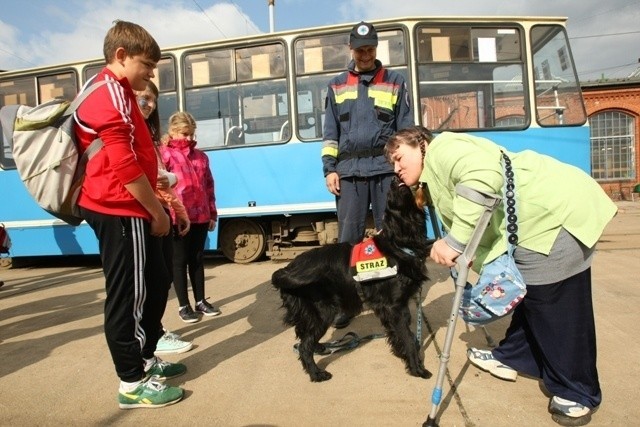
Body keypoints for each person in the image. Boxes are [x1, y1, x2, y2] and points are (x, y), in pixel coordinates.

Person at [386, 126, 617, 426]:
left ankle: (577, 390)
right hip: (529, 227)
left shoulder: (444, 149)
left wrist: (455, 242)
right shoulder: (432, 174)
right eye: (392, 163)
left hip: (553, 219)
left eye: (399, 157)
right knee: (530, 297)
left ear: (421, 144)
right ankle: (518, 356)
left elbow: (482, 177)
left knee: (558, 308)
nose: (396, 168)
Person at [73, 20, 185, 409]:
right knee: (129, 296)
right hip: (118, 206)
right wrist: (157, 212)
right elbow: (124, 164)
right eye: (147, 64)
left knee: (157, 279)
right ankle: (132, 382)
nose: (152, 74)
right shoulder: (109, 94)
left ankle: (146, 356)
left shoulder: (120, 91)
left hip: (128, 204)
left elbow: (139, 156)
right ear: (121, 56)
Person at [321, 21, 414, 328]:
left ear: (376, 48)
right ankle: (347, 303)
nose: (365, 54)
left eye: (370, 49)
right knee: (349, 239)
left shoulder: (396, 81)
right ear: (351, 49)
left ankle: (392, 297)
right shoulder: (336, 84)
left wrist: (405, 171)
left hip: (386, 172)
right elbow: (330, 133)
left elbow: (406, 132)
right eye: (360, 49)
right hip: (349, 175)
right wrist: (329, 170)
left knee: (392, 237)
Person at [134, 81, 193, 355]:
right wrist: (170, 178)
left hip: (160, 212)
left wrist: (177, 212)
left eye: (152, 99)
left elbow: (162, 183)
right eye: (143, 98)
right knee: (145, 285)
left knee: (160, 280)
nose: (149, 104)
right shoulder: (130, 131)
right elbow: (156, 178)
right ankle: (145, 349)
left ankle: (152, 338)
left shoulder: (149, 134)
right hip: (143, 215)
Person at [160, 111, 221, 323]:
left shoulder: (201, 157)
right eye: (184, 134)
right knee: (179, 261)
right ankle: (183, 305)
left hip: (201, 215)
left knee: (197, 259)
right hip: (178, 216)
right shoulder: (164, 155)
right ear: (173, 131)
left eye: (191, 134)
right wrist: (169, 213)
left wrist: (212, 212)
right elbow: (161, 187)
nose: (189, 138)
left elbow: (209, 186)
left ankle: (201, 300)